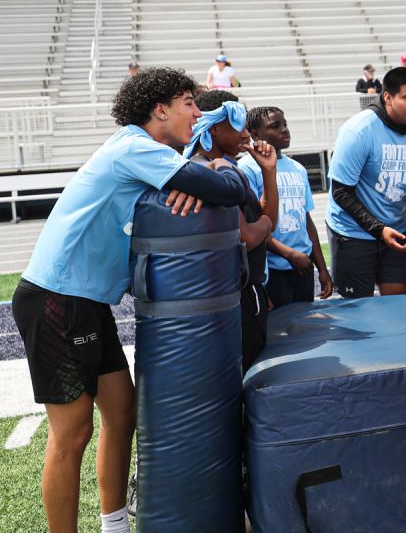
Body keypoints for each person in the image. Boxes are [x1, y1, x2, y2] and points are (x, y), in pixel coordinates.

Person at [12, 67, 254, 533]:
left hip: (87, 300)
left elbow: (218, 192)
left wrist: (199, 175)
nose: (197, 113)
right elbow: (229, 190)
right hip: (56, 296)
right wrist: (218, 169)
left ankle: (115, 524)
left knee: (122, 412)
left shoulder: (151, 151)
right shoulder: (133, 146)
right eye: (188, 102)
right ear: (159, 109)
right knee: (73, 431)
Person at [186, 93, 279, 372]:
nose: (246, 133)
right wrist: (262, 226)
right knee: (244, 374)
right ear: (214, 127)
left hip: (245, 289)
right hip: (230, 296)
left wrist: (269, 173)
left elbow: (263, 219)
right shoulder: (206, 171)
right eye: (238, 124)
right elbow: (248, 237)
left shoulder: (229, 168)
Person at [326, 66, 406, 298]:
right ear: (388, 97)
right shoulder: (358, 131)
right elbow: (340, 192)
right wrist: (378, 230)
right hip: (353, 233)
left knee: (397, 304)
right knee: (357, 310)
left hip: (396, 230)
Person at [243, 105, 333, 308]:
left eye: (285, 124)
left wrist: (323, 269)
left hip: (303, 266)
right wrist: (288, 253)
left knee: (305, 330)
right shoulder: (247, 168)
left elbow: (306, 221)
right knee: (280, 332)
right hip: (273, 269)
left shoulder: (298, 168)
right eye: (275, 126)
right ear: (256, 134)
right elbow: (252, 226)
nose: (284, 129)